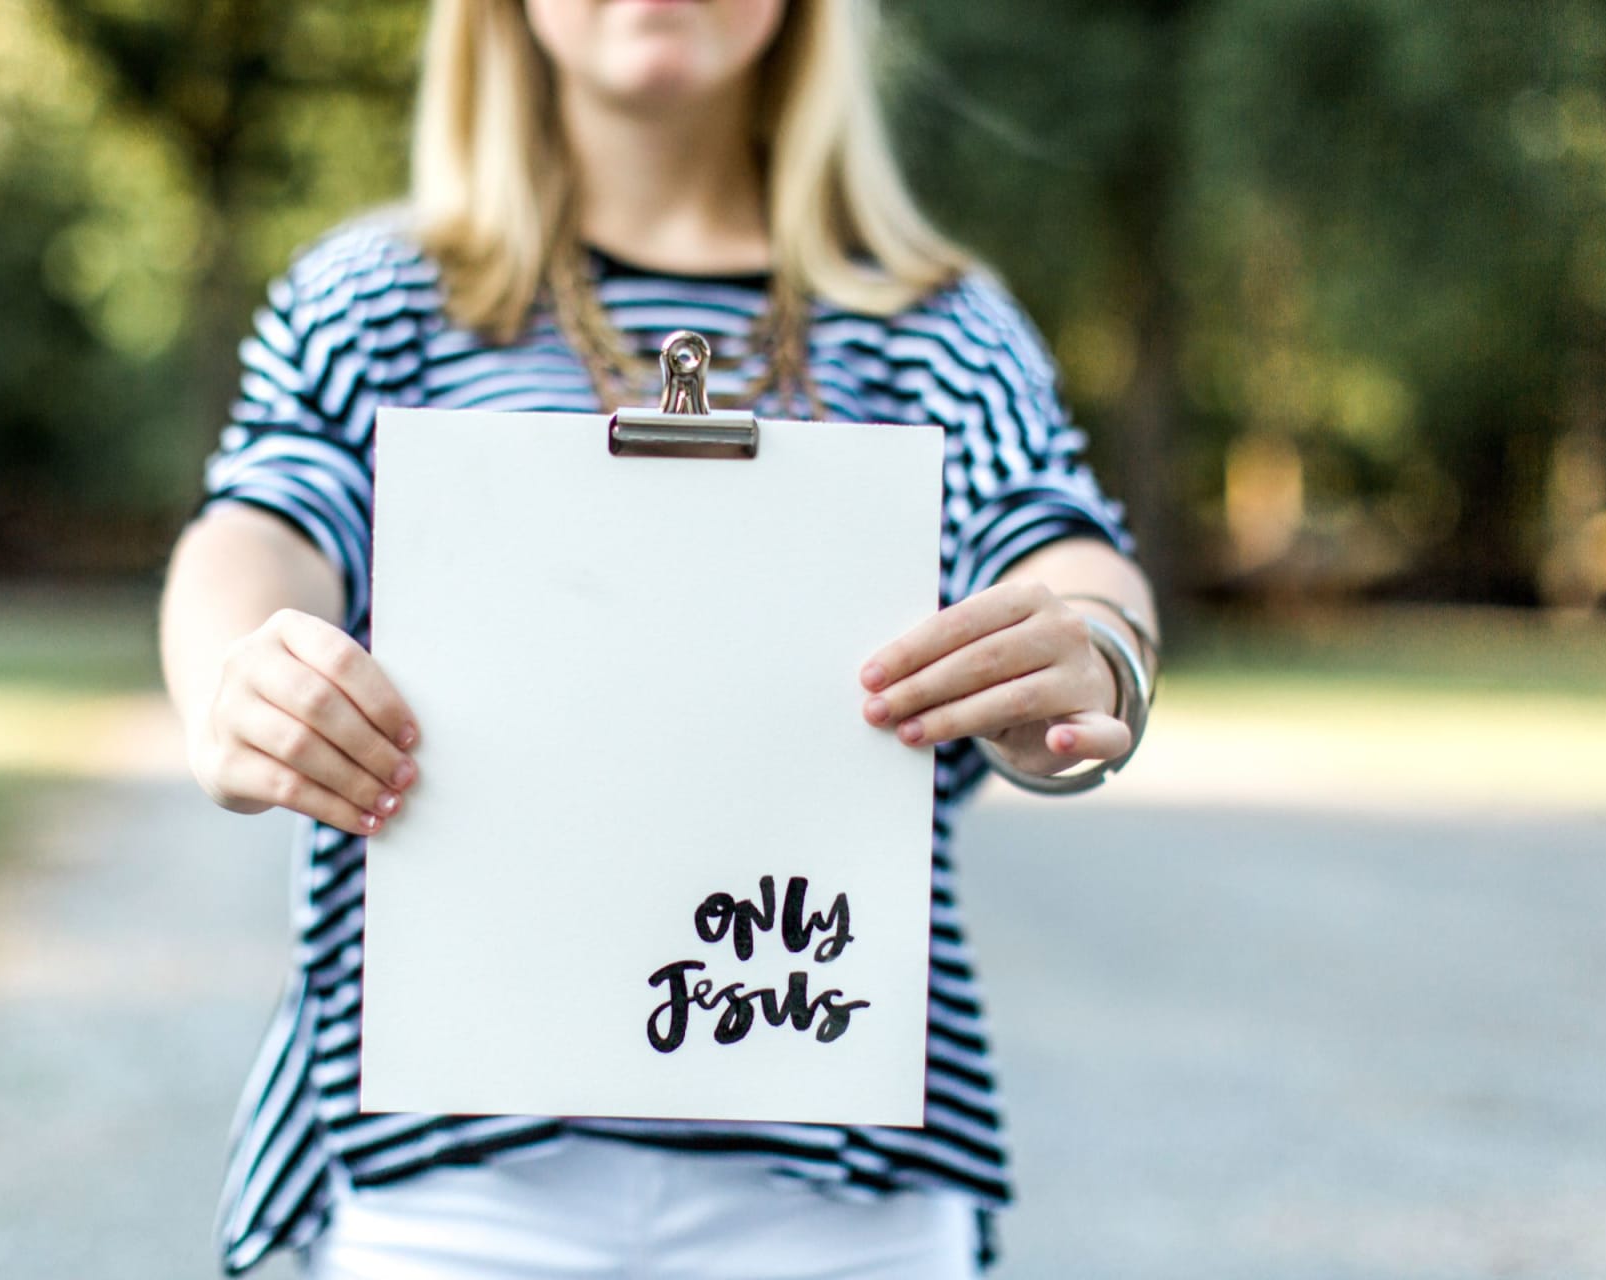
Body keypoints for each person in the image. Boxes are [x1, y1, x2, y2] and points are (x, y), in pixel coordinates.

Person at [159, 0, 1159, 1275]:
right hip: (450, 1183)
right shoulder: (373, 301)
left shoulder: (935, 325)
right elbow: (261, 518)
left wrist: (1092, 645)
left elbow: (1055, 533)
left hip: (838, 1196)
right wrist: (234, 676)